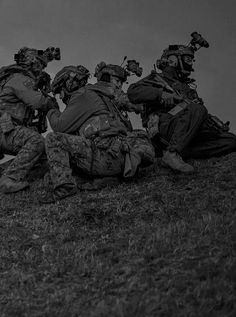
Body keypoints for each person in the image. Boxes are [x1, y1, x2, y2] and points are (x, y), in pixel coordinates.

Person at [41, 63, 155, 203]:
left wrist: (50, 108)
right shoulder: (99, 95)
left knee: (54, 139)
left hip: (106, 154)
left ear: (68, 84)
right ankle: (108, 178)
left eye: (60, 91)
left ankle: (65, 188)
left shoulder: (82, 94)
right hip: (118, 155)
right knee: (49, 176)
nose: (61, 96)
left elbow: (60, 126)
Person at [127, 32, 236, 173]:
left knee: (231, 141)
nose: (190, 64)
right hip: (165, 125)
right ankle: (172, 153)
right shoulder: (157, 78)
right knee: (197, 109)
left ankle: (180, 151)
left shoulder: (186, 88)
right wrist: (161, 94)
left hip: (185, 130)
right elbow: (133, 92)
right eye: (188, 59)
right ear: (173, 60)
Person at [0, 46, 60, 193]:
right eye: (40, 65)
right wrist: (51, 102)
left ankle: (3, 173)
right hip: (4, 130)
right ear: (32, 62)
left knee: (45, 154)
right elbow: (38, 102)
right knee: (36, 141)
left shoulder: (13, 77)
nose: (41, 69)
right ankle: (9, 179)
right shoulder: (20, 78)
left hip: (7, 130)